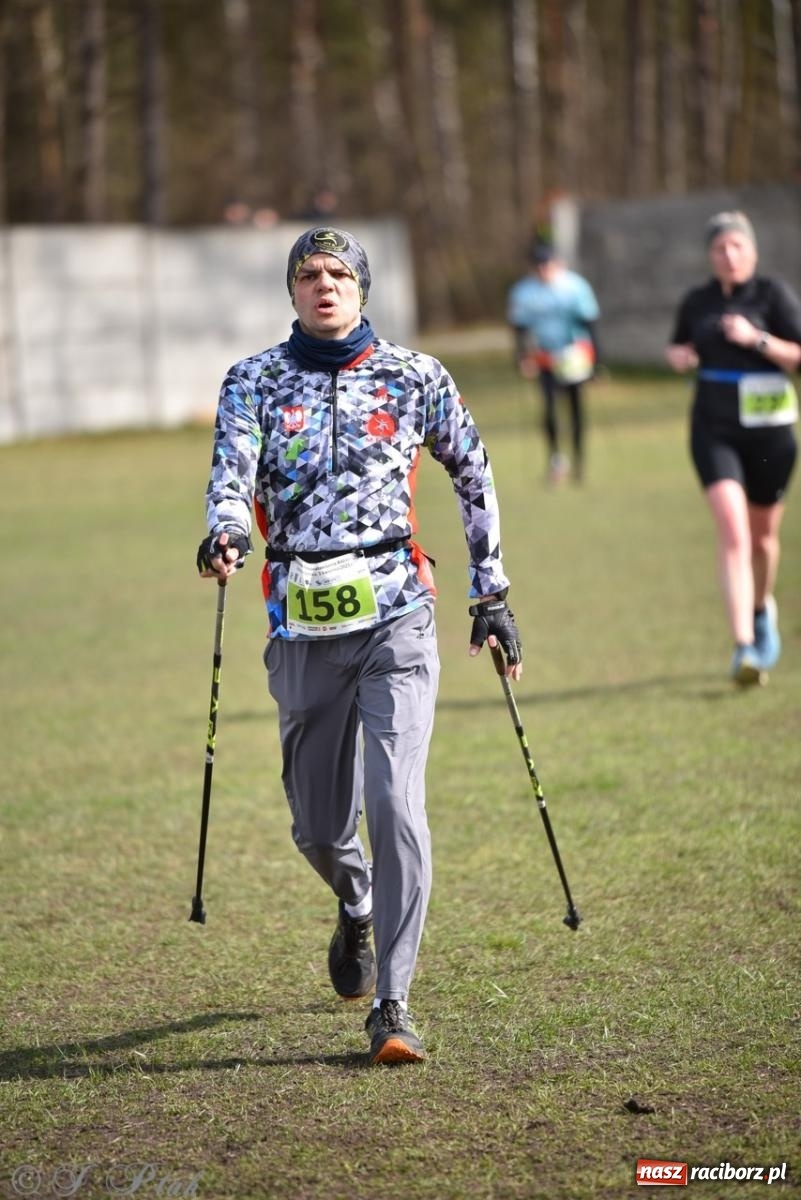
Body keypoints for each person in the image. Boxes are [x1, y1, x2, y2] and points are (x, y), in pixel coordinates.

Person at [196, 226, 523, 1065]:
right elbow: (230, 474)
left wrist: (491, 591)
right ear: (292, 290)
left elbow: (472, 467)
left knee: (394, 802)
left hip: (396, 615)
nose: (324, 285)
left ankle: (394, 1002)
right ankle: (356, 904)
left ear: (363, 287)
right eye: (308, 273)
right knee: (316, 826)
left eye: (340, 272)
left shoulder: (416, 377)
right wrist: (225, 533)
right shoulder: (254, 381)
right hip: (302, 621)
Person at [666, 210, 801, 686]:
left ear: (752, 251)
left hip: (770, 434)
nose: (728, 254)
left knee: (763, 539)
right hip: (713, 429)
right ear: (710, 255)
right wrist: (679, 356)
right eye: (720, 247)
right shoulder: (697, 301)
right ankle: (744, 645)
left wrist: (756, 338)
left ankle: (761, 609)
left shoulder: (773, 295)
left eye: (736, 246)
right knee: (733, 532)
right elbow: (678, 345)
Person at [507, 240, 601, 485]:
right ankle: (556, 460)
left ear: (557, 263)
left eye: (547, 264)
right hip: (545, 356)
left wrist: (596, 362)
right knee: (549, 409)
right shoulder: (523, 292)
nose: (543, 270)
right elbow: (519, 328)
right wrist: (521, 357)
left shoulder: (574, 286)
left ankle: (579, 461)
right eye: (538, 266)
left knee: (575, 408)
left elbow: (590, 323)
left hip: (574, 356)